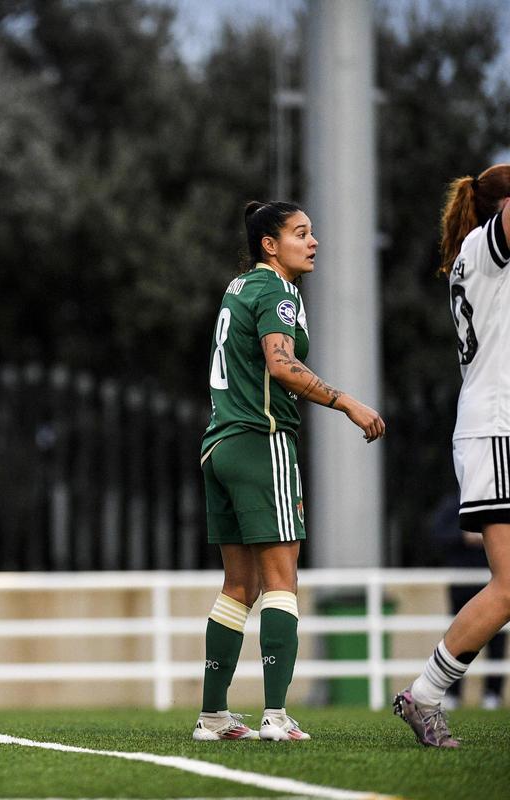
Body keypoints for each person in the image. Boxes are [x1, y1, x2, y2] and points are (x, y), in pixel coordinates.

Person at [195, 201, 384, 743]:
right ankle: (276, 717)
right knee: (282, 582)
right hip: (262, 440)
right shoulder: (277, 290)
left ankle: (213, 717)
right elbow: (280, 363)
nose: (313, 241)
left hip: (219, 444)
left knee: (240, 585)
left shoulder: (238, 287)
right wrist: (348, 402)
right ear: (270, 245)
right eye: (301, 233)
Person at [395, 164, 510, 748]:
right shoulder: (485, 248)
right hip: (496, 431)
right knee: (509, 587)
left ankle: (425, 693)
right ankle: (425, 694)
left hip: (494, 427)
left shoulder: (485, 260)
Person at [428, 492, 505, 711]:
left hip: (491, 580)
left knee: (496, 639)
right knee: (459, 635)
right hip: (462, 583)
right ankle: (450, 692)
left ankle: (492, 694)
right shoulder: (454, 503)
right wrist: (465, 536)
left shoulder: (498, 500)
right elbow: (438, 533)